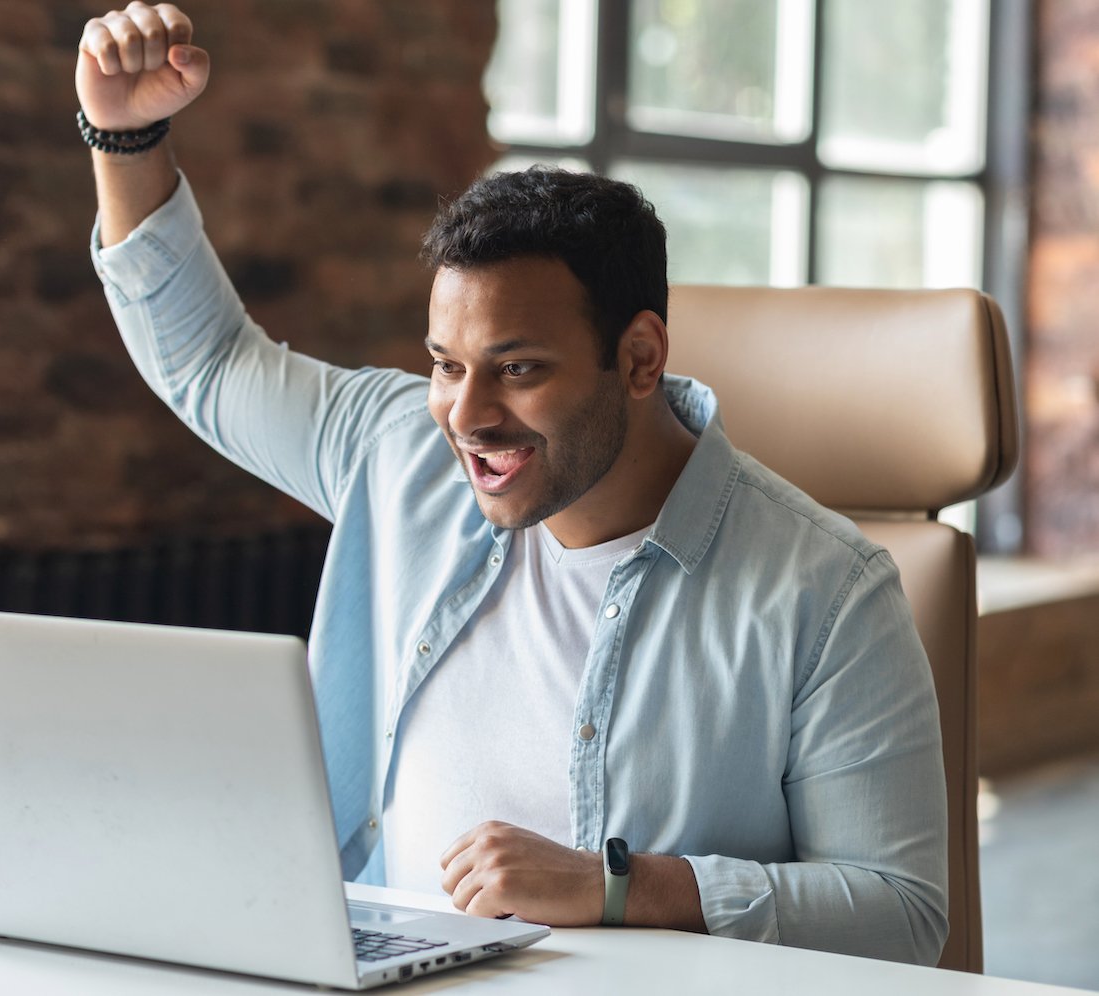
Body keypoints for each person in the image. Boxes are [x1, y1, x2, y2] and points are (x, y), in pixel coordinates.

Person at [76, 2, 948, 965]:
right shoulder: (399, 452)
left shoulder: (825, 591)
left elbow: (901, 912)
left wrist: (620, 885)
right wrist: (126, 137)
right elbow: (208, 364)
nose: (466, 414)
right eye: (447, 364)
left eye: (519, 369)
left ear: (641, 356)